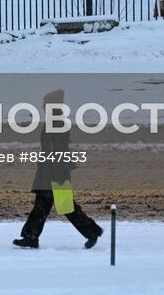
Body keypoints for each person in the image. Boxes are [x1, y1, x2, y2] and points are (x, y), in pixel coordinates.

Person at [14, 89, 103, 250]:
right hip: (51, 171)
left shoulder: (57, 123)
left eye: (45, 103)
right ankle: (30, 237)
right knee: (44, 206)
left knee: (62, 206)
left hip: (54, 173)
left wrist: (59, 175)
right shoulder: (55, 121)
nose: (42, 106)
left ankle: (91, 231)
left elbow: (60, 151)